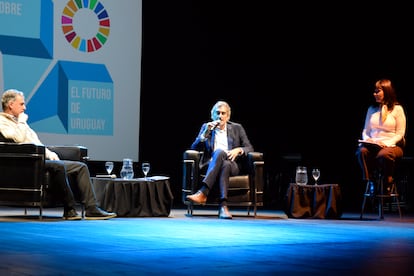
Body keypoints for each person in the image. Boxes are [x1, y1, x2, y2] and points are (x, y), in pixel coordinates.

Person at [0, 89, 117, 220]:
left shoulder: (21, 122)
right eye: (21, 104)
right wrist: (21, 122)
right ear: (10, 105)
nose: (24, 107)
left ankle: (92, 208)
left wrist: (50, 153)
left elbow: (37, 142)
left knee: (80, 167)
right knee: (58, 167)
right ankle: (69, 209)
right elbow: (19, 139)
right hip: (27, 164)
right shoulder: (3, 122)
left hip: (41, 159)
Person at [186, 100, 254, 219]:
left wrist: (239, 150)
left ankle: (203, 192)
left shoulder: (237, 128)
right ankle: (223, 206)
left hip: (234, 164)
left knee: (226, 161)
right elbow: (194, 148)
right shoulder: (206, 127)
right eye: (217, 113)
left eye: (223, 113)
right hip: (211, 164)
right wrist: (205, 134)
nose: (220, 116)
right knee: (223, 162)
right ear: (213, 115)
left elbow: (249, 147)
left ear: (228, 116)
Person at [355, 79, 406, 196]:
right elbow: (366, 130)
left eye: (378, 91)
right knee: (361, 151)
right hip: (373, 144)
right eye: (374, 91)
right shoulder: (371, 109)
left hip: (392, 146)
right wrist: (367, 139)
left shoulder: (397, 109)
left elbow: (400, 133)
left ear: (386, 91)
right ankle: (371, 180)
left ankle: (387, 180)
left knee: (383, 155)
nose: (374, 94)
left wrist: (387, 143)